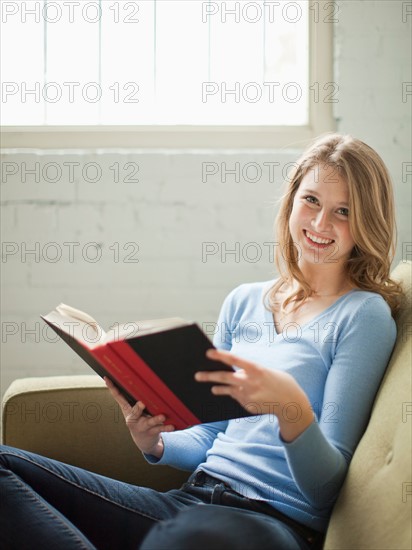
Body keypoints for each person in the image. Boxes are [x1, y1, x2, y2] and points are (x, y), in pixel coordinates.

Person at [0, 134, 403, 550]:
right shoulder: (244, 301)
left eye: (344, 212)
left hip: (272, 522)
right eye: (312, 201)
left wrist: (292, 410)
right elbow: (208, 438)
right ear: (291, 200)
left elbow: (327, 489)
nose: (320, 224)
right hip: (190, 503)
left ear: (366, 223)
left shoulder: (363, 315)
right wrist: (155, 442)